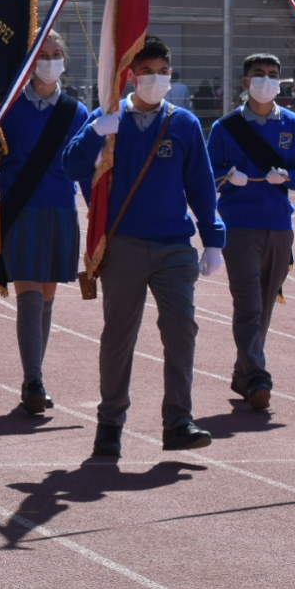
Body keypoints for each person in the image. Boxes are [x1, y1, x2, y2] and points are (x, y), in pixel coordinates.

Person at [63, 35, 223, 458]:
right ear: (130, 75)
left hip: (174, 246)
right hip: (124, 246)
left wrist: (213, 240)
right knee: (119, 336)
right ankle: (110, 423)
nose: (155, 78)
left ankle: (178, 421)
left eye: (163, 72)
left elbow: (202, 187)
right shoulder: (107, 117)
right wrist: (96, 132)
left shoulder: (184, 124)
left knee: (181, 332)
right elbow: (71, 167)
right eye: (147, 71)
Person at [0, 30, 89, 415]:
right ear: (30, 61)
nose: (50, 60)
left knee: (47, 297)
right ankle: (33, 379)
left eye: (56, 53)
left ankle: (35, 375)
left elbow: (85, 169)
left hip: (59, 209)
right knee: (30, 297)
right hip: (20, 208)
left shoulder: (75, 111)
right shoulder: (8, 105)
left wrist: (101, 217)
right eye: (43, 54)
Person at [207, 53, 295, 412]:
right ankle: (257, 374)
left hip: (279, 225)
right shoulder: (224, 128)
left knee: (265, 305)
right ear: (245, 83)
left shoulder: (293, 125)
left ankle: (243, 373)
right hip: (239, 226)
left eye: (272, 75)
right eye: (258, 75)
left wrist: (289, 178)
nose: (266, 81)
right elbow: (208, 174)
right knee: (249, 305)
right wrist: (227, 177)